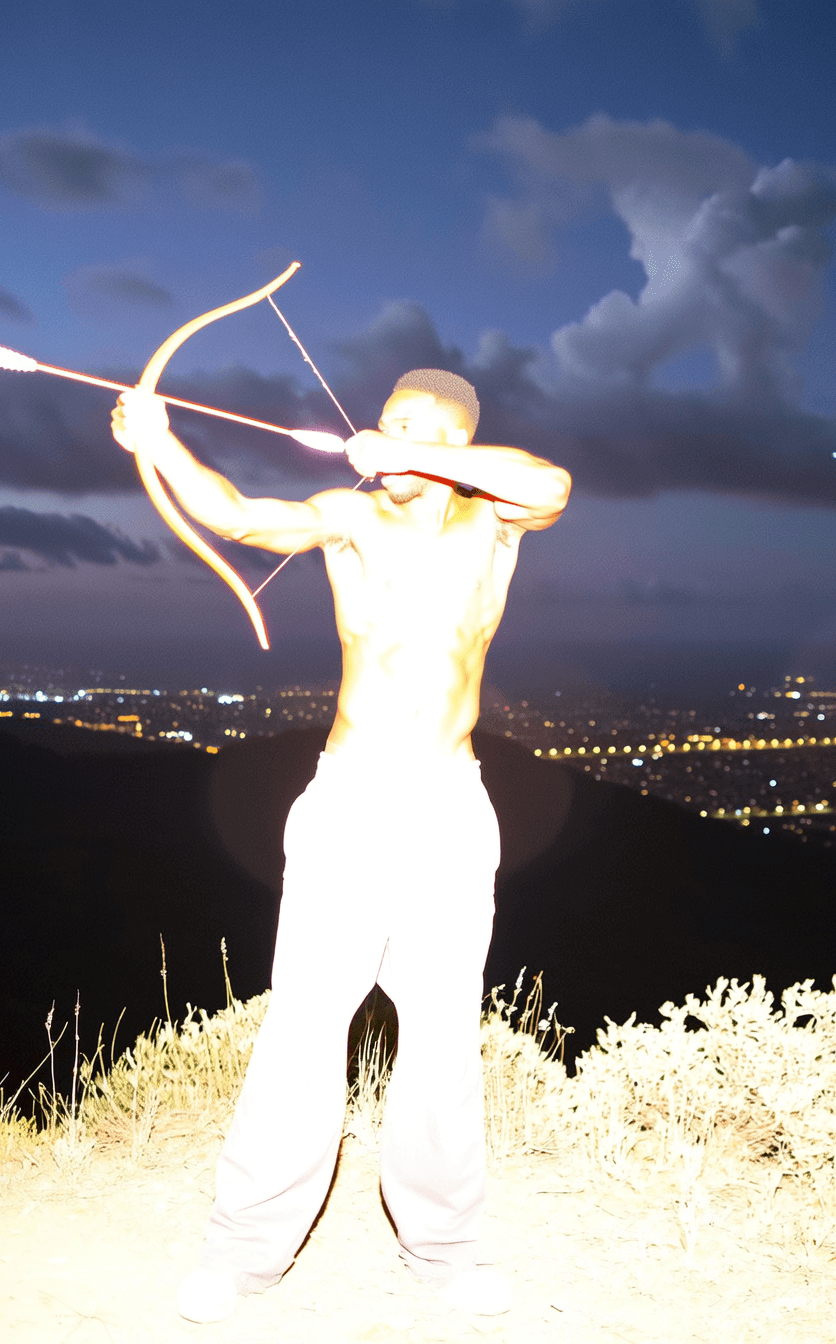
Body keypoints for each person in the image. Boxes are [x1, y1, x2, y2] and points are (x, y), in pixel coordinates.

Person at [109, 368, 571, 1324]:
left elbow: (550, 483)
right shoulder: (353, 521)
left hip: (449, 806)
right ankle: (242, 1256)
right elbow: (236, 514)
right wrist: (157, 443)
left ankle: (445, 1252)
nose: (389, 435)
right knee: (304, 1026)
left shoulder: (495, 524)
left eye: (417, 428)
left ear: (454, 442)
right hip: (350, 803)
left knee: (441, 1037)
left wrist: (409, 453)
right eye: (386, 420)